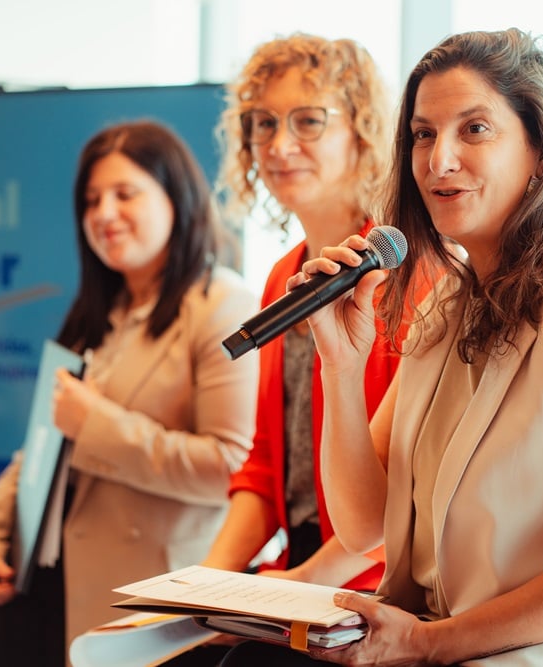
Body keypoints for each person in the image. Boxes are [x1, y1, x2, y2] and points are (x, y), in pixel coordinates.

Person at [221, 28, 543, 666]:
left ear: (541, 151)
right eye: (422, 134)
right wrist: (342, 362)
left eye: (474, 130)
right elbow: (364, 527)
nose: (439, 160)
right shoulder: (447, 307)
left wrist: (426, 643)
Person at [0, 120, 260, 667]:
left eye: (125, 194)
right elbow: (42, 448)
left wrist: (96, 426)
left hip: (142, 597)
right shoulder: (97, 315)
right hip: (38, 578)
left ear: (177, 199)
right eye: (91, 200)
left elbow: (229, 467)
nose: (103, 213)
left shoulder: (223, 306)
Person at [161, 33, 399, 666]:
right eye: (262, 123)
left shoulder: (405, 275)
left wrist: (308, 580)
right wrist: (205, 584)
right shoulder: (281, 279)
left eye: (308, 121)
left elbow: (407, 487)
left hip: (373, 591)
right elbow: (265, 467)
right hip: (299, 577)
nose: (279, 144)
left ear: (364, 132)